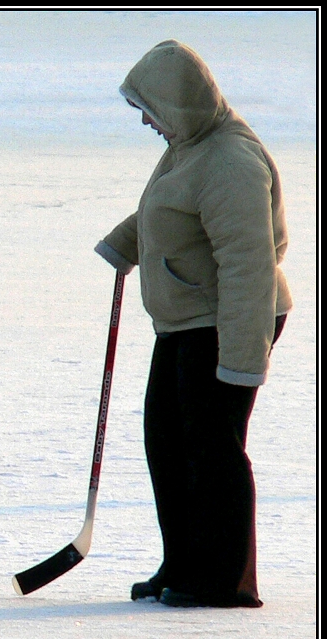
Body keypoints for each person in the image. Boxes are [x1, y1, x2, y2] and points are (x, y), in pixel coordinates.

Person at [94, 40, 292, 608]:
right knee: (167, 440)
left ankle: (224, 579)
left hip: (229, 315)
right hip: (186, 318)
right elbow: (169, 207)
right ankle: (184, 563)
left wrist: (241, 359)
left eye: (149, 109)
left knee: (212, 448)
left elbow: (248, 264)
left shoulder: (231, 159)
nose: (145, 121)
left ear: (177, 104)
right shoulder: (191, 144)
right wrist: (124, 243)